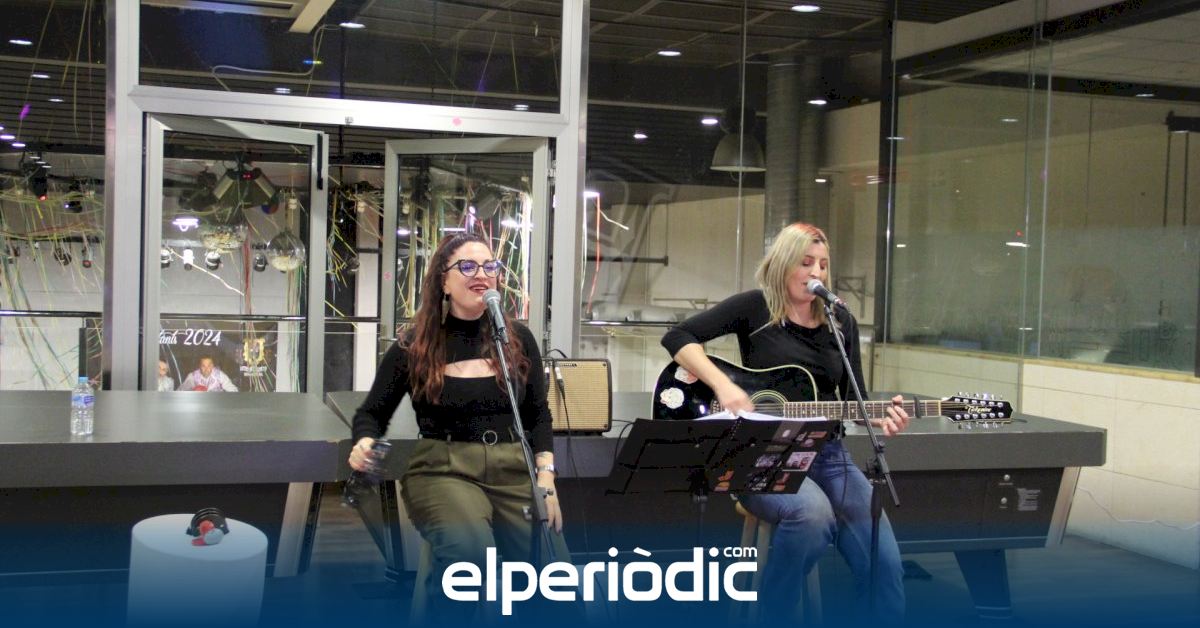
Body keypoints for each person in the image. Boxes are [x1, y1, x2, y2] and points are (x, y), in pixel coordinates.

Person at [661, 222, 910, 621]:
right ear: (782, 264)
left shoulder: (839, 321)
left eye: (823, 265)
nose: (816, 272)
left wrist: (879, 417)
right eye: (806, 262)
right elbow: (678, 337)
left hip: (828, 456)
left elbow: (854, 399)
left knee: (885, 562)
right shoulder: (754, 307)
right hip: (761, 455)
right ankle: (773, 613)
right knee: (812, 515)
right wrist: (723, 385)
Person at [349, 232, 566, 620]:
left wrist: (546, 479)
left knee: (548, 571)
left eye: (489, 266)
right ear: (444, 282)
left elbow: (537, 414)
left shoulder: (518, 340)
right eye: (467, 266)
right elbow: (371, 414)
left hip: (514, 468)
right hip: (444, 468)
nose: (481, 274)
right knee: (470, 557)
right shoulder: (414, 344)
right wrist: (364, 441)